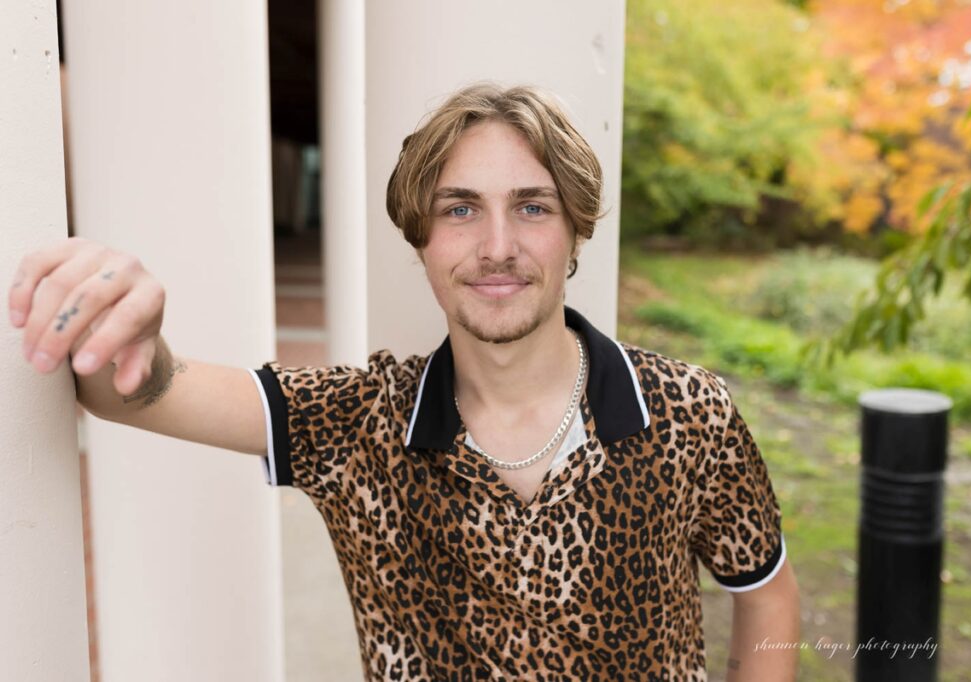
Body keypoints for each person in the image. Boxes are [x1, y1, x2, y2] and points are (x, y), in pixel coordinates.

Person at [8, 83, 799, 681]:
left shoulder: (688, 410)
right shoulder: (359, 421)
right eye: (460, 210)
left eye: (532, 207)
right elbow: (139, 391)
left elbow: (764, 590)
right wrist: (130, 324)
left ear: (576, 233)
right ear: (419, 237)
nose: (497, 246)